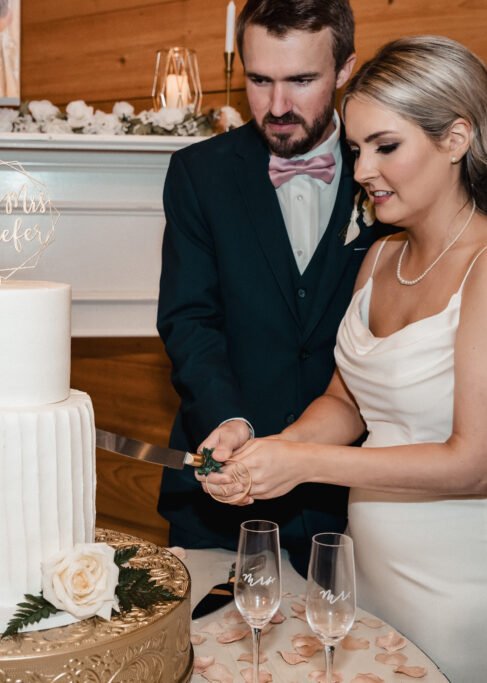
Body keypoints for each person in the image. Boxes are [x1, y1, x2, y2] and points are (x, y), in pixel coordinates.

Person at [202, 35, 487, 681]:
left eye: (385, 146)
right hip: (368, 563)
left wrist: (303, 462)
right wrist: (267, 451)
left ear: (456, 139)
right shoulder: (381, 256)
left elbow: (476, 464)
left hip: (464, 574)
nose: (362, 170)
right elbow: (345, 402)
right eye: (356, 148)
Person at [156, 0, 392, 574]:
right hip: (219, 493)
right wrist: (227, 421)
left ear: (344, 70)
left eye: (302, 80)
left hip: (352, 496)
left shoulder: (390, 172)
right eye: (260, 81)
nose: (277, 106)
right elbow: (189, 319)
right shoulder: (198, 173)